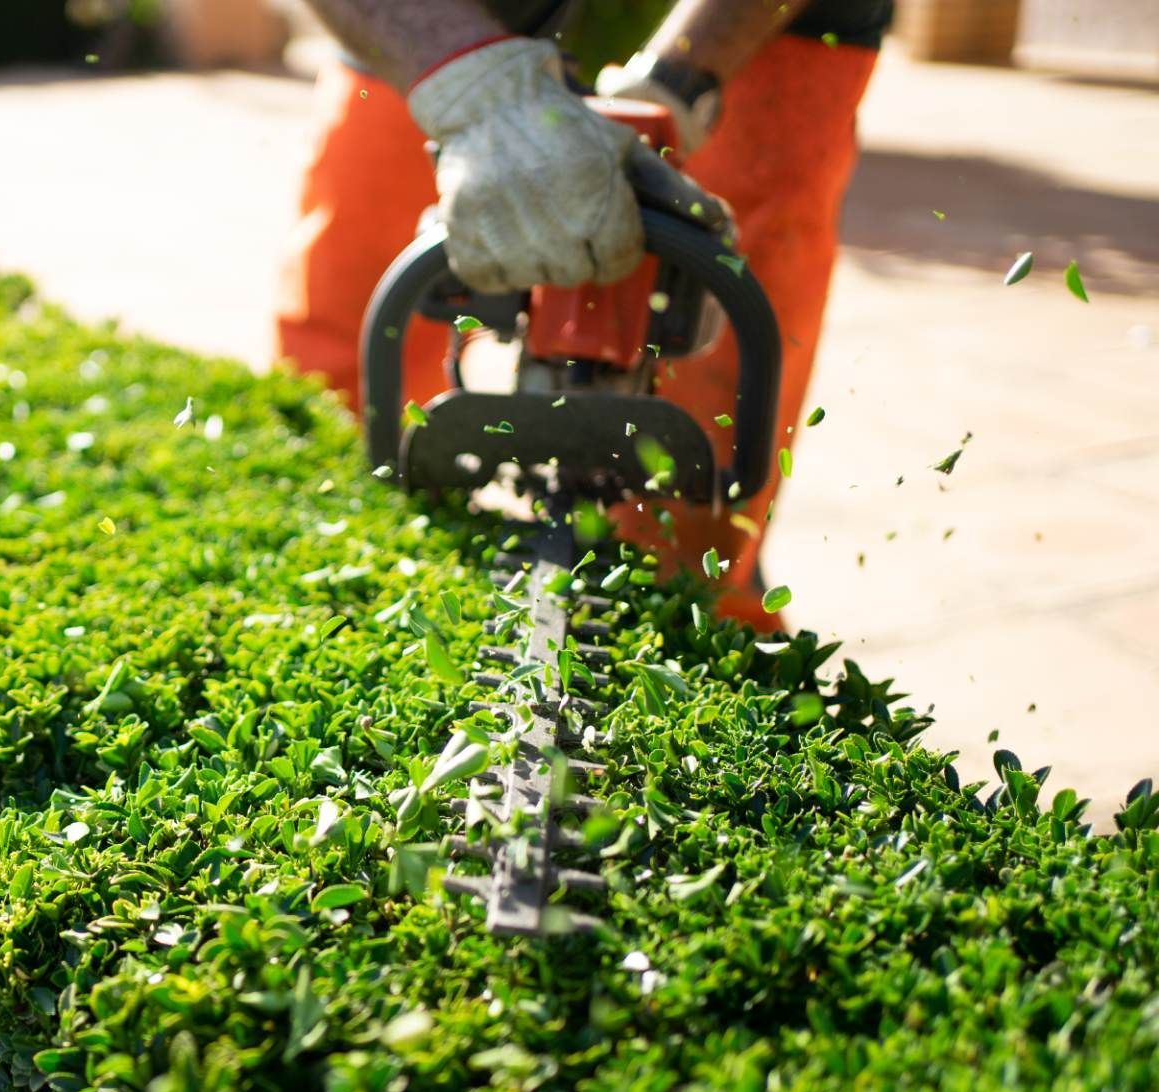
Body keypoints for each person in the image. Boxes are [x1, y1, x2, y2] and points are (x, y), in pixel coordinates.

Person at [278, 0, 891, 627]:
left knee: (708, 481)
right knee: (340, 376)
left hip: (759, 26)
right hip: (438, 17)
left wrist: (681, 79)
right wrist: (474, 86)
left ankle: (696, 619)